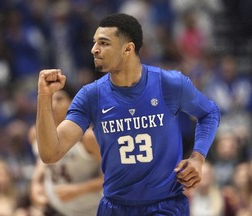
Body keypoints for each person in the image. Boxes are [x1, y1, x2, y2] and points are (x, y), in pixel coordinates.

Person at [36, 13, 220, 216]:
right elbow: (50, 153)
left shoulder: (169, 83)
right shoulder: (91, 95)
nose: (94, 49)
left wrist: (198, 157)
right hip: (115, 207)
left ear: (128, 49)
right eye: (94, 42)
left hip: (165, 205)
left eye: (104, 43)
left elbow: (209, 113)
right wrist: (44, 97)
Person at [31, 85, 103, 216]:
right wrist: (35, 185)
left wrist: (77, 190)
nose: (53, 104)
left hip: (91, 209)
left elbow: (112, 177)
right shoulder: (35, 134)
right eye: (51, 99)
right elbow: (41, 164)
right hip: (57, 209)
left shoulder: (88, 137)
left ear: (72, 102)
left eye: (59, 99)